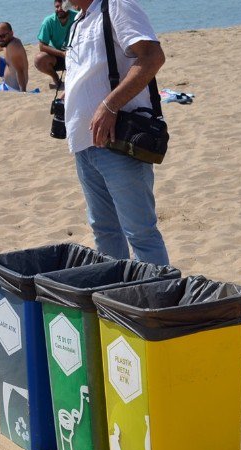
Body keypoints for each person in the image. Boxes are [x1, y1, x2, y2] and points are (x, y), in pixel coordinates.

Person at [65, 0, 170, 264]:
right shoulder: (79, 19)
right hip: (84, 143)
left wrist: (110, 105)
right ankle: (117, 299)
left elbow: (152, 57)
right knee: (104, 231)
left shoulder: (116, 5)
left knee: (140, 233)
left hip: (118, 142)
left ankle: (156, 300)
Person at [35, 1, 79, 90]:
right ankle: (56, 79)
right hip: (58, 56)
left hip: (77, 54)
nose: (59, 9)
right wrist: (62, 54)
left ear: (68, 6)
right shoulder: (48, 21)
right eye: (57, 7)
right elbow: (42, 46)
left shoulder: (78, 16)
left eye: (62, 6)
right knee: (39, 59)